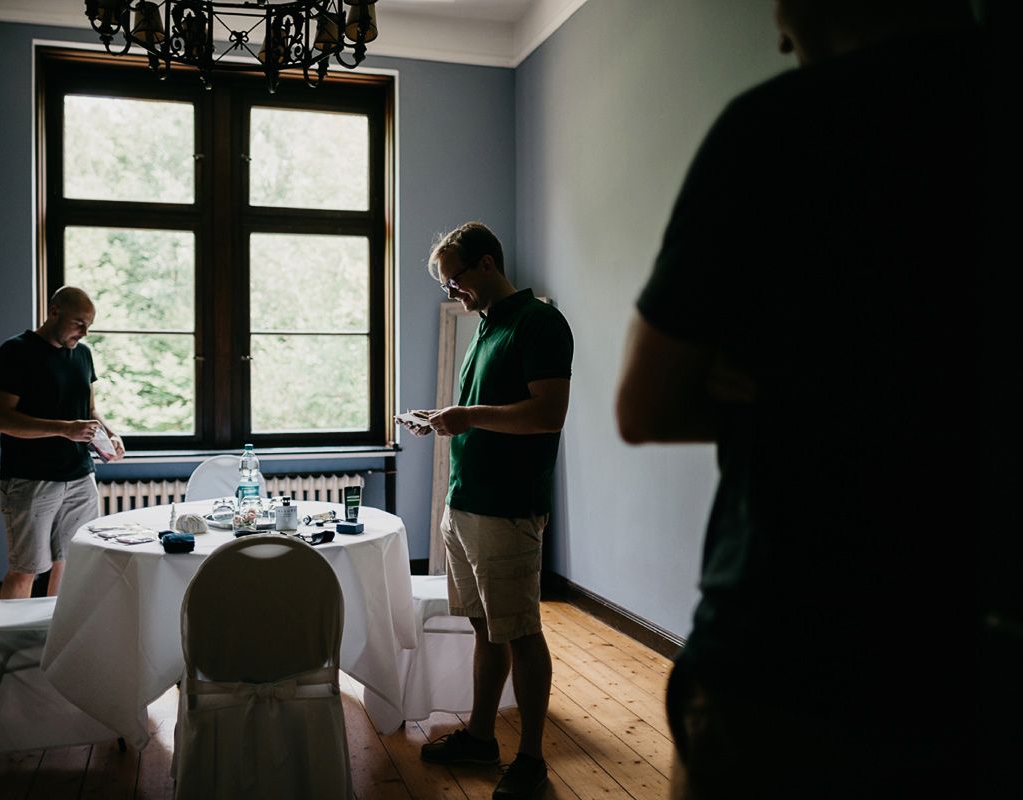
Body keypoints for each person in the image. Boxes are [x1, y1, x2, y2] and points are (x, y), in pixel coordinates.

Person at [614, 1, 985, 797]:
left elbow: (642, 407)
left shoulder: (777, 129)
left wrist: (792, 390)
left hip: (794, 640)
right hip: (974, 643)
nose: (776, 28)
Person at [400, 222, 573, 800]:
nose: (454, 293)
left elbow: (547, 415)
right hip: (466, 500)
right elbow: (485, 409)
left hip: (508, 507)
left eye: (456, 280)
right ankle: (479, 736)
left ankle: (530, 759)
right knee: (484, 627)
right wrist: (446, 419)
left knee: (521, 631)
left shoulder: (540, 323)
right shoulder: (486, 327)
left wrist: (467, 417)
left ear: (488, 264)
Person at [0, 286, 125, 600]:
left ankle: (56, 638)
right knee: (26, 568)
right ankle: (7, 644)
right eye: (79, 323)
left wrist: (111, 434)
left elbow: (89, 411)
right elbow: (0, 419)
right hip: (29, 479)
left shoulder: (83, 355)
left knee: (73, 563)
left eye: (89, 325)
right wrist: (64, 429)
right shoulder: (15, 351)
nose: (85, 332)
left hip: (80, 477)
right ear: (54, 312)